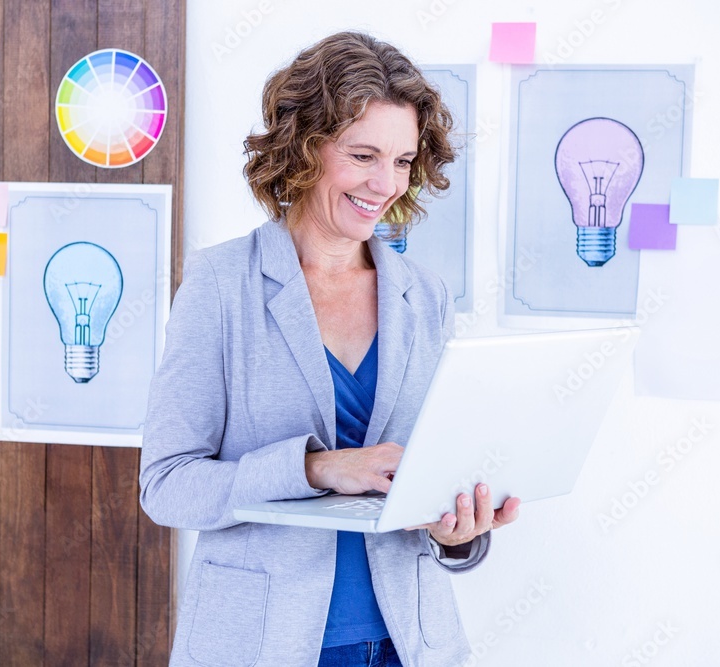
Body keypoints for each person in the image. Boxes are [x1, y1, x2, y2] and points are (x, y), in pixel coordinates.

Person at [139, 31, 522, 667]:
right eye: (364, 155)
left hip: (409, 641)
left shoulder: (425, 297)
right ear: (307, 149)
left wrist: (459, 532)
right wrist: (317, 469)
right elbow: (168, 486)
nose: (386, 184)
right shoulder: (220, 284)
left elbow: (430, 476)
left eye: (402, 161)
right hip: (262, 643)